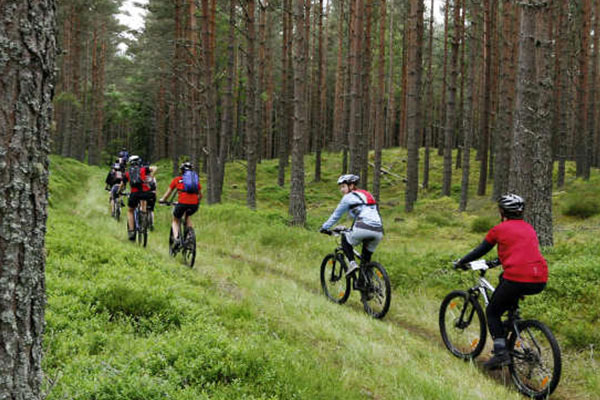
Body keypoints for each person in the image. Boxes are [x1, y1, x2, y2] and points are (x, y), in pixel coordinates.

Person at [455, 193, 548, 370]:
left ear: (502, 211)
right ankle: (511, 322)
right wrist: (496, 262)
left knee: (492, 311)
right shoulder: (529, 228)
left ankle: (501, 354)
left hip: (517, 277)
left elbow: (480, 250)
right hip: (539, 277)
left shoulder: (499, 230)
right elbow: (519, 251)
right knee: (504, 284)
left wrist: (462, 262)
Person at [319, 174, 384, 277]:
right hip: (379, 230)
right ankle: (367, 286)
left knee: (344, 237)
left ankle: (352, 263)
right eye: (340, 187)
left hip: (363, 227)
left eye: (343, 186)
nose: (341, 190)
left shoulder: (348, 198)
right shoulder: (367, 194)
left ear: (352, 186)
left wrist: (324, 228)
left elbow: (336, 215)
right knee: (365, 261)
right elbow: (367, 214)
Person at [159, 161, 202, 249]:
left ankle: (176, 239)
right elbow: (200, 195)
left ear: (181, 171)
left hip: (182, 203)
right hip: (194, 205)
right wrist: (196, 202)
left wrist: (163, 200)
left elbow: (168, 193)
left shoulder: (177, 180)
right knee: (188, 215)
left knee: (175, 220)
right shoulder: (195, 182)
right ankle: (190, 238)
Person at [119, 155, 157, 241]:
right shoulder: (143, 169)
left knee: (130, 210)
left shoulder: (128, 173)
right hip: (145, 193)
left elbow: (122, 185)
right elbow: (155, 168)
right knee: (144, 200)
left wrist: (119, 192)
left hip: (134, 194)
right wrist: (151, 177)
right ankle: (144, 219)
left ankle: (132, 232)